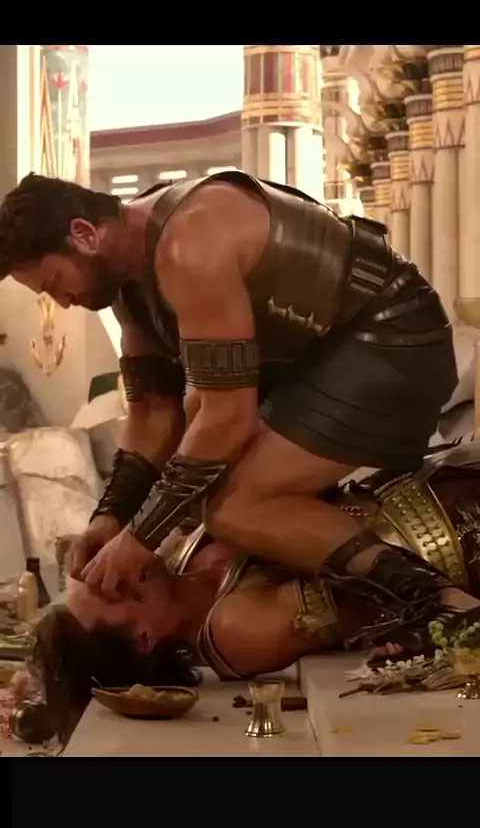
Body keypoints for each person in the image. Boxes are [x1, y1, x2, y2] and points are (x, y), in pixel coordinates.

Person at [0, 171, 460, 641]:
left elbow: (227, 420)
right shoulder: (129, 274)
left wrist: (140, 537)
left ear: (83, 234)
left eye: (53, 283)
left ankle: (443, 603)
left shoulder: (188, 243)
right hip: (320, 359)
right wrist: (110, 515)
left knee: (234, 508)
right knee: (203, 464)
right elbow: (154, 412)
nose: (63, 302)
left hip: (393, 335)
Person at [33, 438, 480, 743]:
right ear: (145, 639)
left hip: (426, 479)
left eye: (98, 574)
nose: (113, 574)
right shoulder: (232, 632)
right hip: (450, 545)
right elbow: (356, 603)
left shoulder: (179, 554)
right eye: (111, 593)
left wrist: (115, 519)